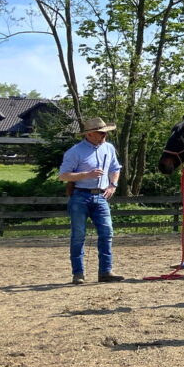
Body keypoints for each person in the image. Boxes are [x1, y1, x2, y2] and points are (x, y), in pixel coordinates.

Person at [58, 117, 125, 284]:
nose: (104, 135)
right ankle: (78, 273)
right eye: (101, 133)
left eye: (105, 132)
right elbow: (63, 175)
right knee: (78, 235)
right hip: (80, 196)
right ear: (89, 134)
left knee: (107, 233)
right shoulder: (74, 151)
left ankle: (106, 271)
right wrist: (86, 175)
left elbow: (115, 168)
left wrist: (113, 185)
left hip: (101, 196)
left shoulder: (109, 148)